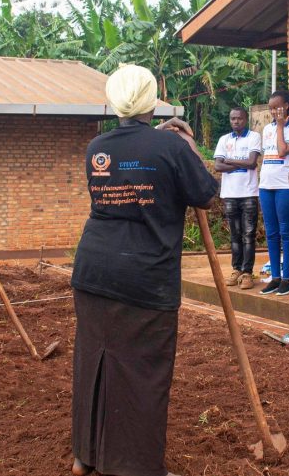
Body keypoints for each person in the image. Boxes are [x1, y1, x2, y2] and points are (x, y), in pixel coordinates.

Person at [70, 65, 217, 476]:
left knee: (94, 360)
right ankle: (136, 467)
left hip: (94, 270)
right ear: (152, 101)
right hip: (145, 278)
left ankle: (86, 455)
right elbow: (206, 195)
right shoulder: (170, 149)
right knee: (143, 373)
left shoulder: (96, 146)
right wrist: (187, 145)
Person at [258, 90, 289, 296]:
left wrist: (280, 126)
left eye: (276, 107)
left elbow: (283, 150)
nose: (273, 112)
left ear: (287, 105)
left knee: (286, 231)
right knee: (271, 232)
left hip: (285, 186)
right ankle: (275, 276)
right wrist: (275, 126)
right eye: (270, 108)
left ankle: (287, 278)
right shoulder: (267, 128)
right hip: (266, 185)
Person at [213, 107, 262, 290]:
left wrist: (229, 161)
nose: (236, 122)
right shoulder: (223, 139)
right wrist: (235, 163)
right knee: (235, 235)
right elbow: (218, 166)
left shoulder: (254, 137)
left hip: (248, 193)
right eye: (233, 119)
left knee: (248, 235)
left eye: (239, 118)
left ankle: (247, 273)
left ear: (245, 119)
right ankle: (237, 270)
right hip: (230, 194)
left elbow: (251, 163)